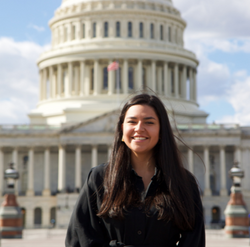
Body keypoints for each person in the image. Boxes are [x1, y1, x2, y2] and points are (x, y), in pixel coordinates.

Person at [65, 93, 205, 247]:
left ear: (161, 130)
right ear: (122, 129)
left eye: (149, 122)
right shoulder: (99, 178)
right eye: (132, 121)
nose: (139, 128)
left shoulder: (184, 182)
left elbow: (194, 241)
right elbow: (80, 238)